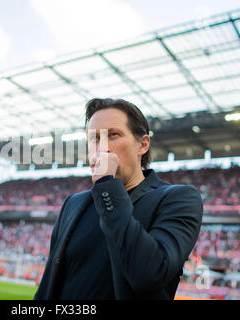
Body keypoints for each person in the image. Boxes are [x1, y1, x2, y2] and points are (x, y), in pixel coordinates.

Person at [34, 98, 203, 300]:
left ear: (143, 144)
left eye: (113, 135)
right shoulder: (73, 204)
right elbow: (49, 283)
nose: (102, 147)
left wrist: (107, 184)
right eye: (95, 138)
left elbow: (148, 274)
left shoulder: (178, 199)